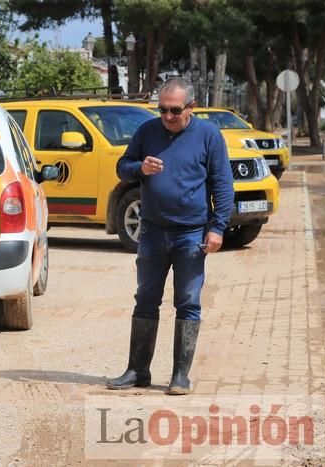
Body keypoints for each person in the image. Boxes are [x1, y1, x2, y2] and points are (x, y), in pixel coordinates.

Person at [108, 78, 234, 395]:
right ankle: (137, 370)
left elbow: (223, 185)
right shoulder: (147, 132)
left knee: (188, 302)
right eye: (162, 109)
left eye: (174, 110)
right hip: (151, 232)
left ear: (191, 107)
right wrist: (140, 168)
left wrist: (217, 227)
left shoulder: (209, 135)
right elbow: (122, 166)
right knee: (146, 300)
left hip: (191, 234)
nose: (167, 116)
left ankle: (180, 376)